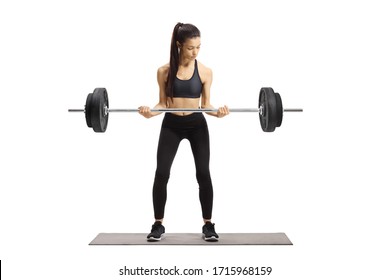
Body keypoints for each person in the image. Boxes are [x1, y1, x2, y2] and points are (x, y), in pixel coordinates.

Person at [139, 22, 229, 242]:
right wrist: (151, 112)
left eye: (198, 47)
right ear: (179, 45)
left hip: (196, 125)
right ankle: (158, 224)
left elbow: (206, 105)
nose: (195, 52)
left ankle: (208, 225)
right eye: (190, 48)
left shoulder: (206, 71)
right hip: (171, 125)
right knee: (162, 173)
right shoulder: (164, 71)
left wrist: (217, 113)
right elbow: (162, 103)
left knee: (203, 173)